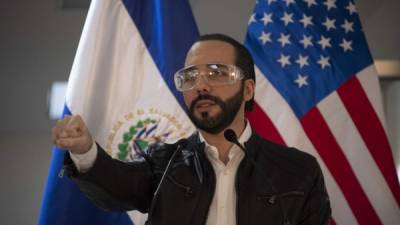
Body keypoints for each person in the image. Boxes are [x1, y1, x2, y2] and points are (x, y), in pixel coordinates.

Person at [52, 33, 331, 225]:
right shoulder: (164, 165)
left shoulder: (298, 171)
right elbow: (116, 186)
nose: (201, 85)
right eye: (190, 77)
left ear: (247, 89)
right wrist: (84, 150)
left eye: (217, 73)